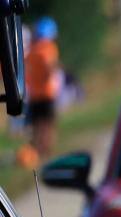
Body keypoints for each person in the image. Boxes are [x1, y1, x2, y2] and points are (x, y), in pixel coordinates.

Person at [24, 17, 61, 162]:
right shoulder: (49, 47)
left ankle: (36, 153)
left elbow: (27, 70)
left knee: (36, 126)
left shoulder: (32, 49)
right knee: (48, 125)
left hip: (34, 95)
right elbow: (50, 66)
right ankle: (47, 154)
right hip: (47, 93)